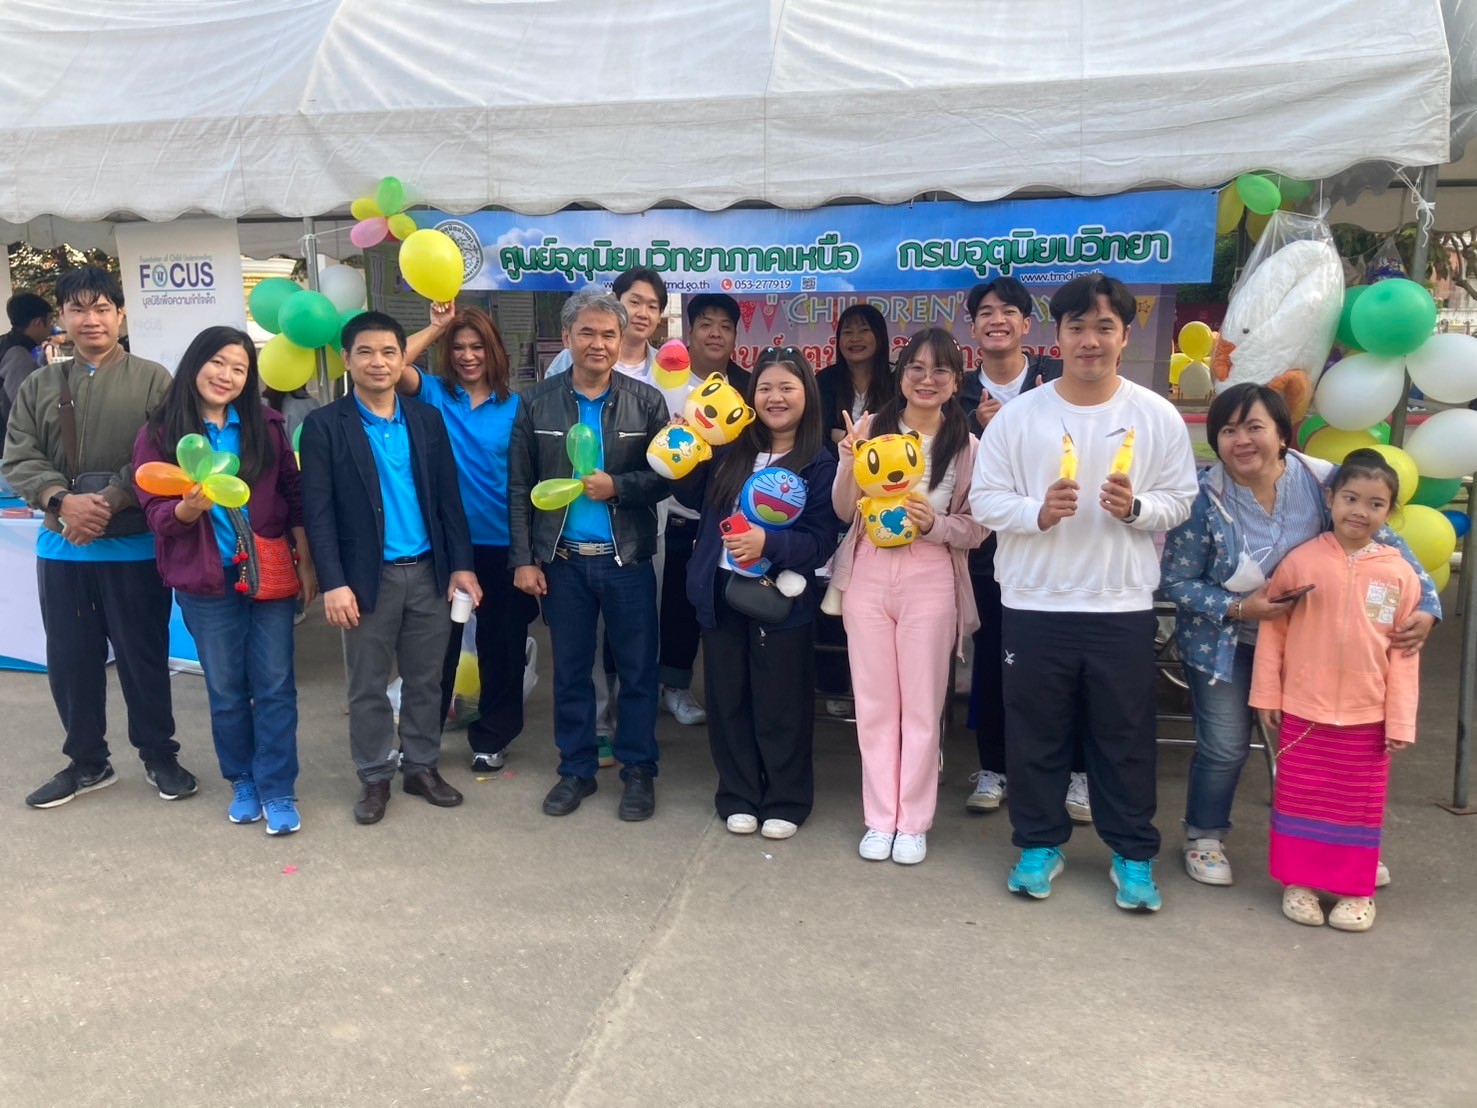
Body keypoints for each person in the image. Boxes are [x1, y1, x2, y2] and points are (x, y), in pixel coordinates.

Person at [970, 273, 1198, 911]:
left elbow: (1180, 498)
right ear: (1058, 335)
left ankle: (1133, 853)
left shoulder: (1154, 415)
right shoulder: (1020, 417)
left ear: (1125, 336)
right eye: (1077, 327)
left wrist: (1139, 508)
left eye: (1104, 327)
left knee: (1123, 735)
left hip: (1119, 603)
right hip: (1033, 601)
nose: (1090, 340)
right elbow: (985, 500)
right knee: (1035, 733)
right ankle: (1039, 844)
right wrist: (1036, 513)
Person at [1161, 384, 1438, 886]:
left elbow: (1387, 544)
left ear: (1282, 434)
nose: (1242, 440)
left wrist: (1429, 607)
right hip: (1225, 644)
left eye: (1254, 427)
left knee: (1327, 750)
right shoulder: (1201, 497)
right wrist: (1240, 607)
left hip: (1312, 644)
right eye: (1228, 430)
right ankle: (1205, 837)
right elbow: (1176, 581)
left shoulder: (1323, 481)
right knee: (1225, 747)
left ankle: (1339, 846)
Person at [2, 267, 194, 808]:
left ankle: (159, 754)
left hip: (133, 547)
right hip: (62, 547)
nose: (91, 319)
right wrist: (61, 501)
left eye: (103, 308)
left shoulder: (153, 380)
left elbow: (165, 451)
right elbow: (19, 454)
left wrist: (108, 500)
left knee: (144, 657)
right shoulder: (39, 385)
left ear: (120, 314)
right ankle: (87, 761)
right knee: (71, 661)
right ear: (61, 318)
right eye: (78, 309)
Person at [299, 311, 482, 825]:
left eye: (388, 352)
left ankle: (421, 767)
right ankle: (375, 774)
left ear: (403, 359)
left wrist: (461, 566)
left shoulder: (425, 420)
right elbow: (317, 513)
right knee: (368, 685)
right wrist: (334, 583)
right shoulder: (324, 426)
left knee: (427, 680)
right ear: (346, 359)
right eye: (365, 352)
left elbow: (449, 500)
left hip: (427, 573)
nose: (377, 362)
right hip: (365, 580)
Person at [133, 327, 316, 834]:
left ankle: (278, 787)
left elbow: (293, 493)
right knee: (227, 687)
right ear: (196, 363)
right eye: (217, 362)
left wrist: (306, 561)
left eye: (239, 368)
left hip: (268, 572)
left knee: (275, 684)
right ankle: (243, 780)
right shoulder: (160, 434)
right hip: (206, 580)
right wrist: (187, 510)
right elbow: (155, 513)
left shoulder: (267, 425)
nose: (226, 376)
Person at [508, 288, 672, 821]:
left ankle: (639, 770)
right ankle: (576, 770)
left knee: (637, 672)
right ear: (567, 337)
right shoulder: (536, 402)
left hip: (628, 560)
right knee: (573, 672)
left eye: (608, 334)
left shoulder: (647, 402)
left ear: (621, 340)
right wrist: (524, 559)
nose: (598, 343)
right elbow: (519, 486)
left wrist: (618, 486)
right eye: (587, 333)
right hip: (563, 561)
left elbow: (665, 477)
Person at [831, 328, 986, 865]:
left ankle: (913, 822)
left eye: (940, 370)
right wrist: (848, 460)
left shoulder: (966, 446)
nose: (927, 379)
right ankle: (880, 819)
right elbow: (843, 510)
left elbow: (979, 527)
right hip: (869, 572)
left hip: (931, 575)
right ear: (900, 376)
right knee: (874, 704)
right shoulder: (871, 428)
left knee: (922, 706)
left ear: (956, 382)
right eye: (916, 368)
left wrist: (936, 524)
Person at [1250, 450, 1421, 932]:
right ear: (1330, 499)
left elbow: (1405, 653)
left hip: (1369, 717)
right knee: (1301, 800)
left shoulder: (1399, 574)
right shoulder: (1300, 562)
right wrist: (1267, 694)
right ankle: (1298, 883)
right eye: (1350, 498)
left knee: (1356, 807)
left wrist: (1400, 718)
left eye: (1375, 503)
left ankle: (1355, 890)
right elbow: (1274, 632)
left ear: (1390, 511)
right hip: (1304, 710)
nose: (1360, 512)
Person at [673, 350, 839, 840]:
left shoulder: (819, 463)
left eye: (787, 387)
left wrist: (769, 543)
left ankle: (787, 799)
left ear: (807, 395)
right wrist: (689, 448)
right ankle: (738, 795)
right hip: (721, 591)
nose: (775, 398)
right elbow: (692, 498)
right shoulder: (731, 448)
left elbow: (820, 541)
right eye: (765, 388)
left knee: (780, 702)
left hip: (779, 599)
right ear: (751, 397)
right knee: (727, 699)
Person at [956, 276, 1091, 821]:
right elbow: (942, 462)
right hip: (986, 554)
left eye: (1008, 311)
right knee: (994, 662)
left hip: (1060, 549)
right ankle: (994, 768)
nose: (997, 320)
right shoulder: (958, 393)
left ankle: (1077, 773)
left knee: (1068, 665)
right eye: (986, 313)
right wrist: (976, 427)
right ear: (973, 329)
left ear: (1027, 324)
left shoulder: (1058, 379)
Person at [399, 307, 537, 772]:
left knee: (503, 649)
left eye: (477, 346)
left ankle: (493, 738)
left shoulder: (518, 407)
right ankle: (420, 741)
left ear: (494, 349)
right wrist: (437, 326)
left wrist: (528, 552)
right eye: (457, 347)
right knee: (435, 650)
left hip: (504, 545)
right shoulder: (433, 393)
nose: (467, 356)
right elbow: (394, 365)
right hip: (443, 546)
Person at [812, 305, 895, 715]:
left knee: (873, 599)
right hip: (835, 495)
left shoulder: (896, 381)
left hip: (886, 502)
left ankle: (876, 689)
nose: (855, 338)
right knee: (830, 593)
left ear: (880, 337)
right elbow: (816, 436)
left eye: (864, 330)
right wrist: (847, 443)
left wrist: (846, 438)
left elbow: (899, 442)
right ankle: (832, 684)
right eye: (848, 331)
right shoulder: (824, 381)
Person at [1, 292, 53, 442]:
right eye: (50, 321)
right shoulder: (18, 354)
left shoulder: (6, 342)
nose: (51, 327)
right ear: (38, 322)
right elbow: (23, 405)